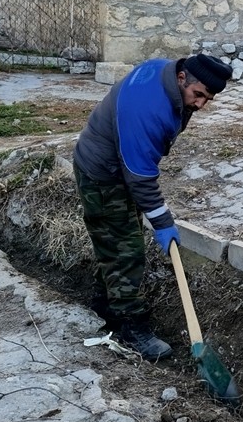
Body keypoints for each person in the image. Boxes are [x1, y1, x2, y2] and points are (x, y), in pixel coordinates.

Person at [73, 53, 233, 360]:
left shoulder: (165, 71)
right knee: (127, 249)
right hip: (102, 174)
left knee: (117, 239)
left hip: (116, 164)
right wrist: (162, 222)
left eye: (207, 100)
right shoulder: (148, 109)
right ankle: (130, 327)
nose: (200, 105)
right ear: (183, 78)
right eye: (198, 95)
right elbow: (141, 178)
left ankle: (104, 304)